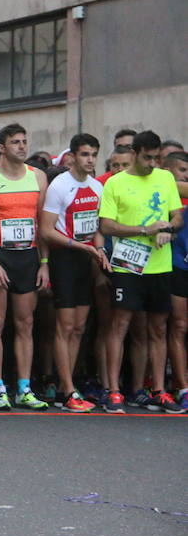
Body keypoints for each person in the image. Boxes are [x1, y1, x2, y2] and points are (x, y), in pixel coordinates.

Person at [98, 130, 185, 414]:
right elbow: (107, 226)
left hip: (160, 265)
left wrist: (168, 230)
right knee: (120, 325)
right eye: (147, 157)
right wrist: (143, 230)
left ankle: (158, 390)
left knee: (158, 328)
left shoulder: (165, 178)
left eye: (155, 158)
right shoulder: (116, 183)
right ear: (134, 153)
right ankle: (113, 391)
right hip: (127, 264)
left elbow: (177, 216)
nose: (151, 164)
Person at [39, 133, 108, 412]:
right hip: (65, 258)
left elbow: (98, 227)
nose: (90, 160)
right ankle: (67, 391)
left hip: (87, 259)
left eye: (93, 154)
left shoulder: (97, 187)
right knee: (65, 326)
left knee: (80, 327)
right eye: (84, 154)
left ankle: (68, 385)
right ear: (73, 157)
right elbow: (45, 229)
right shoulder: (59, 186)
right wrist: (76, 245)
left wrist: (98, 249)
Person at [0, 124, 50, 411]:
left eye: (24, 141)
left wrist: (44, 263)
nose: (22, 147)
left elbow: (43, 224)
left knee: (26, 323)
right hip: (0, 255)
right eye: (15, 142)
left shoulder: (38, 177)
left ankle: (24, 386)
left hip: (28, 256)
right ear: (1, 148)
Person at [165, 151, 188, 408]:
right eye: (182, 169)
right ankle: (183, 388)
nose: (186, 174)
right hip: (177, 265)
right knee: (179, 326)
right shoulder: (161, 190)